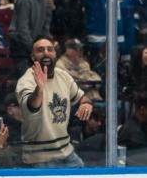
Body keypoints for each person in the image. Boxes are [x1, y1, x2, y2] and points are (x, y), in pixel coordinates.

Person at [15, 36, 93, 167]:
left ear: (55, 54)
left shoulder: (63, 76)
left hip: (67, 152)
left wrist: (86, 103)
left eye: (50, 49)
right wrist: (39, 88)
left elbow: (82, 97)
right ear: (33, 57)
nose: (46, 53)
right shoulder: (26, 81)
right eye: (40, 50)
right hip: (39, 157)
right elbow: (31, 107)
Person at [8, 0, 52, 78]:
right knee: (27, 78)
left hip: (33, 44)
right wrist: (33, 49)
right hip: (20, 46)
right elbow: (22, 29)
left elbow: (45, 26)